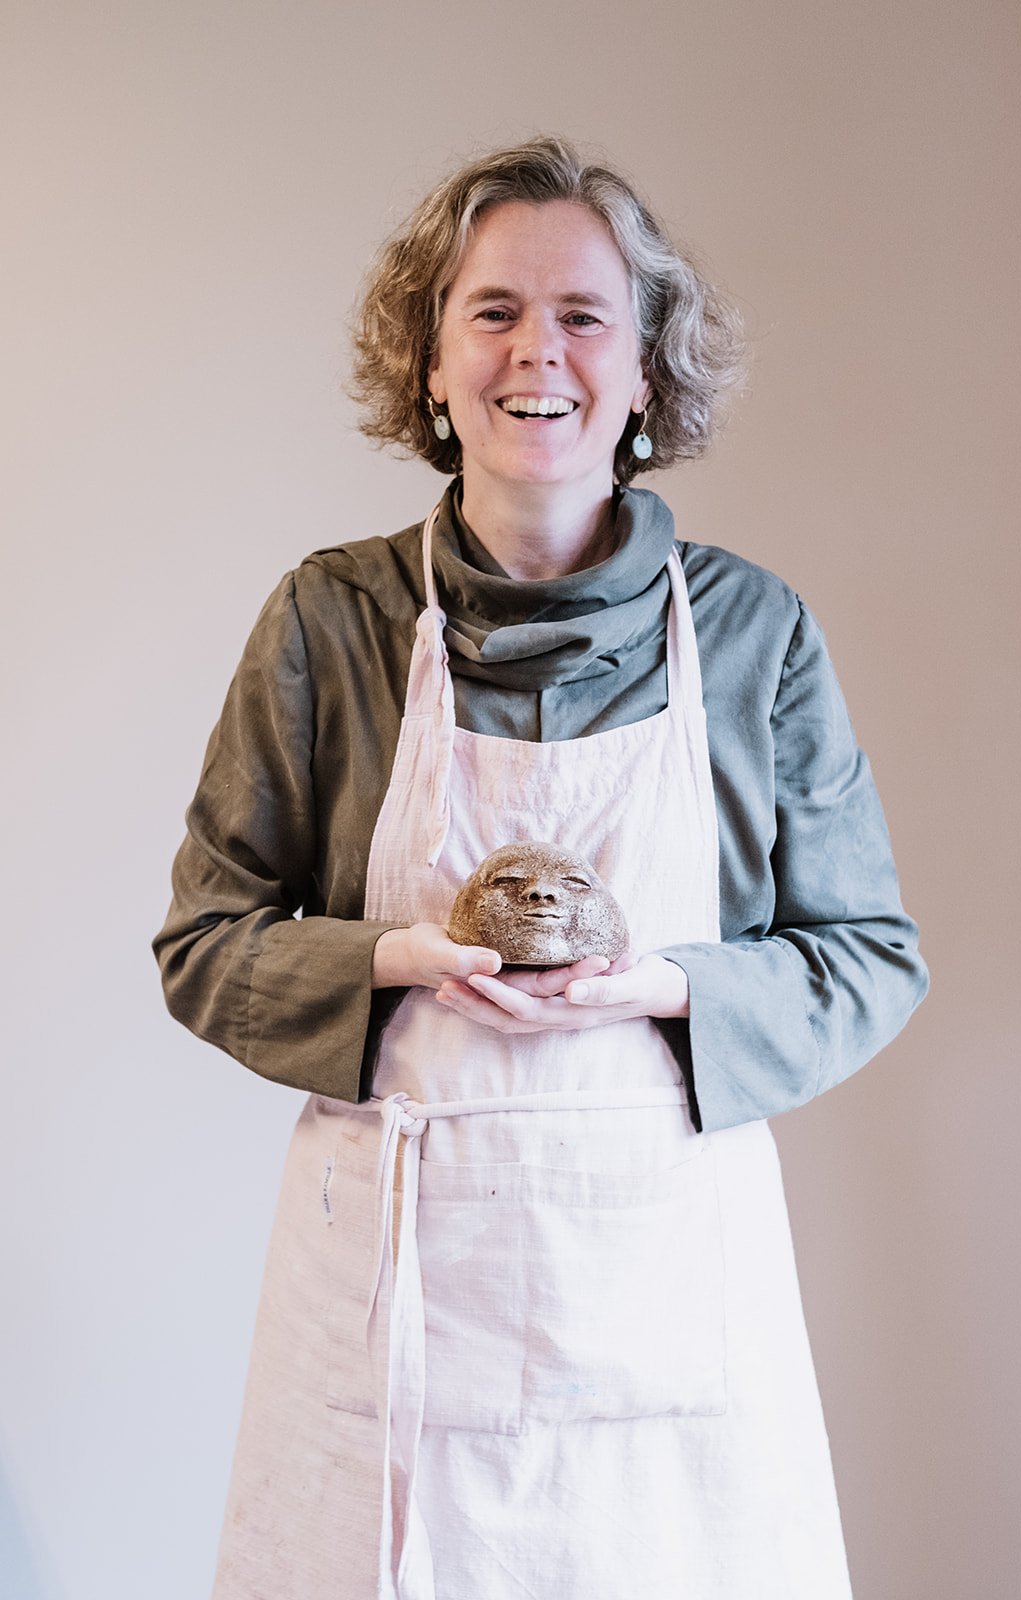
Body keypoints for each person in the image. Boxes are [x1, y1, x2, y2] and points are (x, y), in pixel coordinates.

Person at [154, 136, 928, 1600]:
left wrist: (664, 988)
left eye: (584, 316)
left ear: (644, 374)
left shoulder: (752, 634)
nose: (537, 353)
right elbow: (207, 944)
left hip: (669, 1317)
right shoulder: (331, 620)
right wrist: (392, 960)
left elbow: (870, 958)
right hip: (391, 1318)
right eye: (493, 311)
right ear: (431, 363)